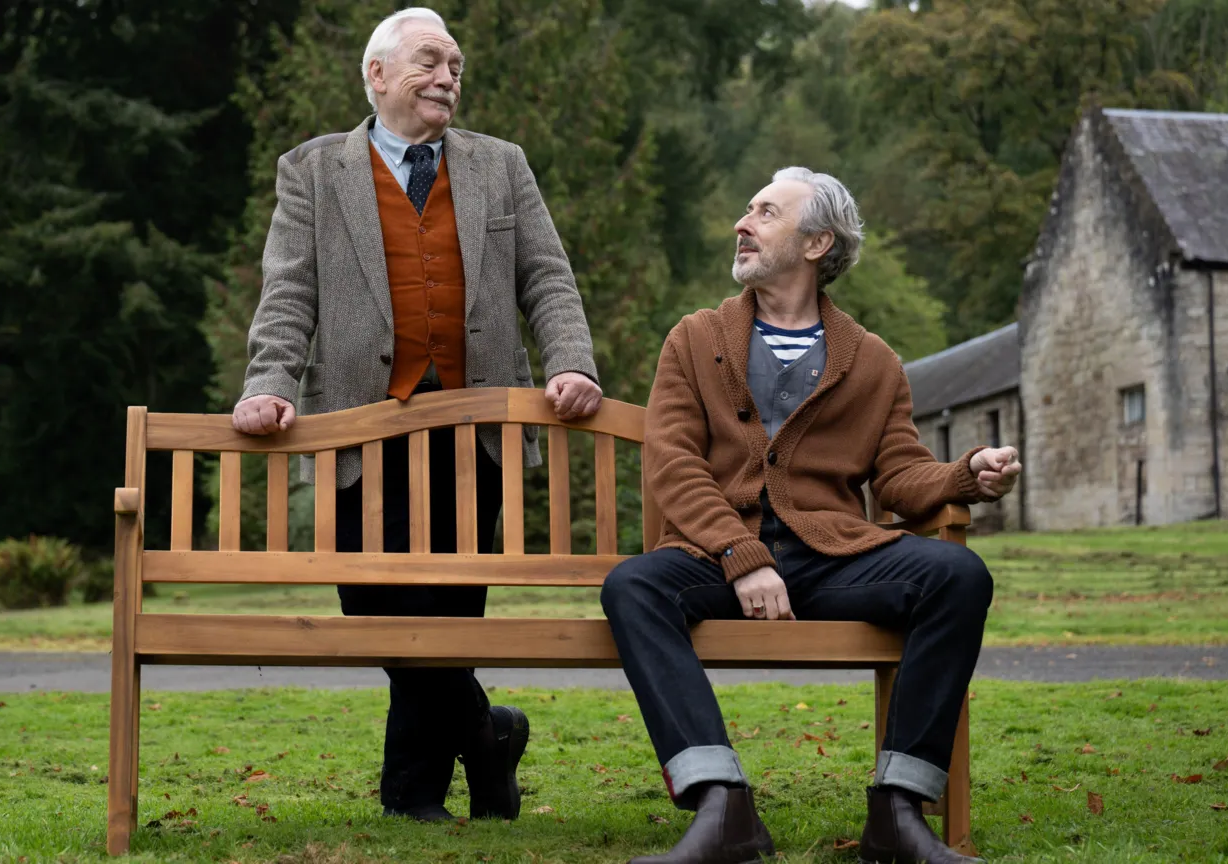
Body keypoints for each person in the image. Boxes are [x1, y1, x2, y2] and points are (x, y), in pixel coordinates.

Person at [231, 7, 602, 824]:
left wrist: (571, 363)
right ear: (376, 74)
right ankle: (487, 732)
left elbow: (547, 276)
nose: (447, 79)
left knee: (448, 611)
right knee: (374, 611)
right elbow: (289, 289)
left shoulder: (501, 165)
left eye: (457, 67)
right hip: (359, 432)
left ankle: (413, 797)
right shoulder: (313, 169)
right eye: (430, 62)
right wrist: (271, 381)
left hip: (478, 433)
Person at [601, 167, 1019, 864]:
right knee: (633, 586)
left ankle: (898, 811)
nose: (743, 222)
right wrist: (741, 555)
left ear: (818, 242)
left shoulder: (873, 359)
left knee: (957, 574)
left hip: (831, 559)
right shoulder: (693, 338)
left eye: (766, 212)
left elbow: (898, 473)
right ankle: (721, 805)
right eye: (747, 208)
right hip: (713, 558)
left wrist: (962, 475)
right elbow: (672, 464)